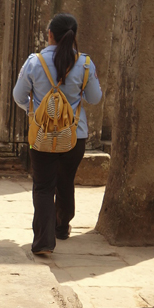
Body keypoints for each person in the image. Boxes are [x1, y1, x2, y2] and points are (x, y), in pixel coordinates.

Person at [12, 13, 102, 256]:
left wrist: (37, 111)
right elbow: (94, 98)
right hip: (75, 135)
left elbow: (19, 97)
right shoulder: (85, 64)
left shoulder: (34, 62)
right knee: (65, 181)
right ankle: (62, 227)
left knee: (43, 186)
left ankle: (43, 242)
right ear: (73, 36)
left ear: (49, 34)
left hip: (42, 135)